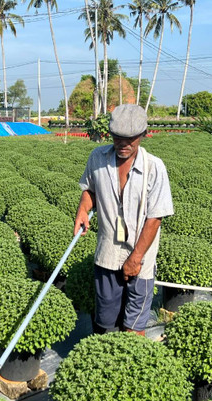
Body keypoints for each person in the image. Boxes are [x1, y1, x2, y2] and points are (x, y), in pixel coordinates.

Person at [74, 104, 174, 336]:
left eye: (130, 139)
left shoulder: (154, 168)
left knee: (134, 325)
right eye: (117, 137)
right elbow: (90, 190)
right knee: (105, 322)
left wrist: (135, 259)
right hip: (108, 254)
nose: (123, 144)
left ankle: (130, 357)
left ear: (143, 134)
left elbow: (155, 218)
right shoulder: (98, 158)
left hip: (141, 258)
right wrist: (82, 210)